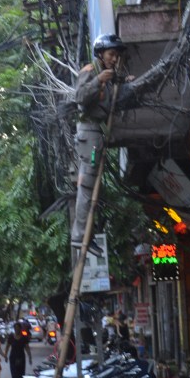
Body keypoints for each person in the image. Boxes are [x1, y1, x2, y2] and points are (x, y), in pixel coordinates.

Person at [71, 33, 132, 256]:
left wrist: (124, 81)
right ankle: (80, 237)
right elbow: (80, 97)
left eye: (116, 56)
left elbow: (111, 92)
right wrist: (99, 80)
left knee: (93, 186)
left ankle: (86, 234)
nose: (114, 59)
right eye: (111, 54)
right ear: (100, 54)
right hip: (89, 133)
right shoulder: (91, 71)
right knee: (87, 185)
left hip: (97, 134)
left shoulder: (108, 74)